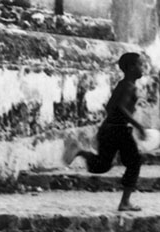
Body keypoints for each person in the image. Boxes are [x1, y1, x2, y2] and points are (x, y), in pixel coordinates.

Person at [63, 51, 146, 212]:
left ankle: (80, 151)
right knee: (135, 162)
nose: (143, 68)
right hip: (119, 130)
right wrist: (138, 126)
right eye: (140, 65)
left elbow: (110, 107)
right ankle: (125, 202)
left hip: (109, 129)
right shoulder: (128, 87)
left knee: (102, 165)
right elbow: (120, 108)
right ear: (131, 67)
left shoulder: (123, 84)